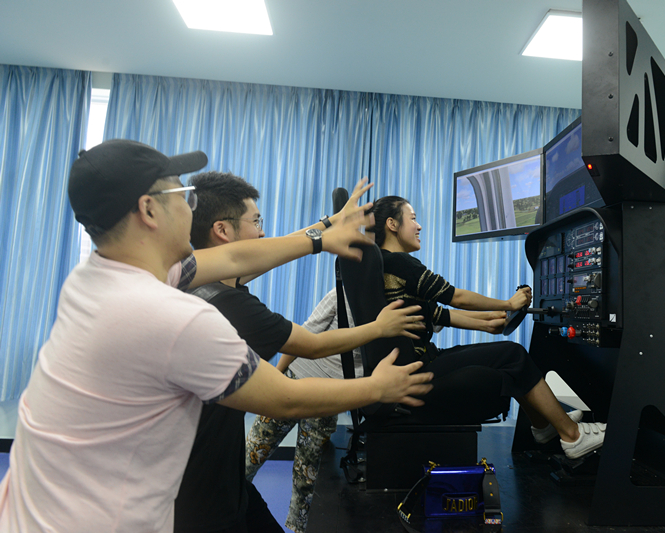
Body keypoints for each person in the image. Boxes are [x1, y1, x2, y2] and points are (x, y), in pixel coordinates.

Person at [0, 140, 433, 533]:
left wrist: (322, 233)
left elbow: (234, 257)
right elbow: (285, 398)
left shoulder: (100, 275)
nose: (191, 207)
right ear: (149, 210)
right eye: (182, 194)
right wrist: (378, 387)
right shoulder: (173, 318)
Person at [175, 171, 425, 533]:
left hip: (216, 478)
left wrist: (327, 225)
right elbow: (306, 356)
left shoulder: (191, 279)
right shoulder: (230, 305)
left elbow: (267, 253)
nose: (264, 234)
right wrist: (379, 351)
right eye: (256, 222)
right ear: (222, 230)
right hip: (204, 493)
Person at [366, 195, 606, 458]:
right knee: (512, 354)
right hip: (416, 371)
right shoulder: (399, 263)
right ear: (392, 224)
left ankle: (544, 426)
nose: (419, 225)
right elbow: (455, 297)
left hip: (415, 365)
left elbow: (441, 315)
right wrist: (509, 303)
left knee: (507, 357)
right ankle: (573, 436)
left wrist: (489, 322)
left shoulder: (381, 265)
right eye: (412, 218)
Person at [244, 288, 358, 533]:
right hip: (299, 384)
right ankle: (224, 514)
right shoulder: (342, 294)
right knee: (251, 456)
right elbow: (303, 335)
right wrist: (277, 376)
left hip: (325, 397)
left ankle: (297, 529)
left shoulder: (392, 303)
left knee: (305, 481)